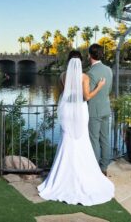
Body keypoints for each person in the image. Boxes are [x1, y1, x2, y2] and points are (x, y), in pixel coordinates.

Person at [37, 50, 114, 206]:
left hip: (67, 111)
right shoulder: (84, 77)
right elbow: (86, 97)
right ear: (79, 62)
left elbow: (65, 93)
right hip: (80, 110)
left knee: (66, 140)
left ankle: (62, 177)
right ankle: (87, 173)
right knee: (82, 140)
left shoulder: (62, 76)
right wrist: (99, 87)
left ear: (69, 61)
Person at [86, 44, 113, 176]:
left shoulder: (91, 73)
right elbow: (109, 90)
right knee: (105, 138)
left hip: (94, 111)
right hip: (106, 109)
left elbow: (88, 94)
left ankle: (95, 168)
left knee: (94, 139)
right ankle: (104, 167)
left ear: (89, 55)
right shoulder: (109, 70)